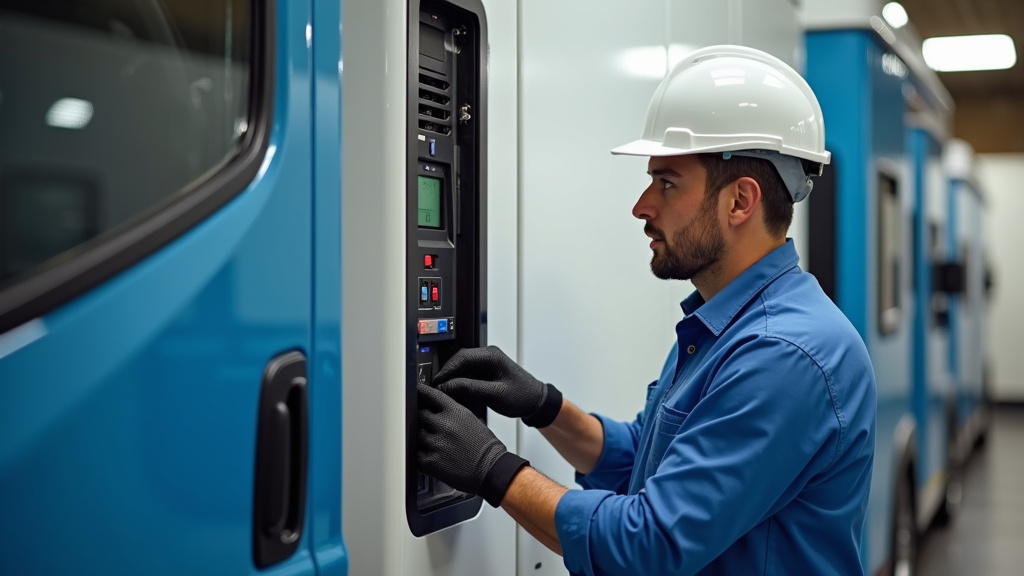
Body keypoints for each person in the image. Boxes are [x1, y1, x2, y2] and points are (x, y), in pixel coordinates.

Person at [417, 45, 876, 576]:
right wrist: (544, 407)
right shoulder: (729, 322)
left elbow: (648, 545)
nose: (642, 205)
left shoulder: (784, 355)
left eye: (667, 182)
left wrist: (492, 469)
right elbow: (645, 458)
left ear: (740, 202)